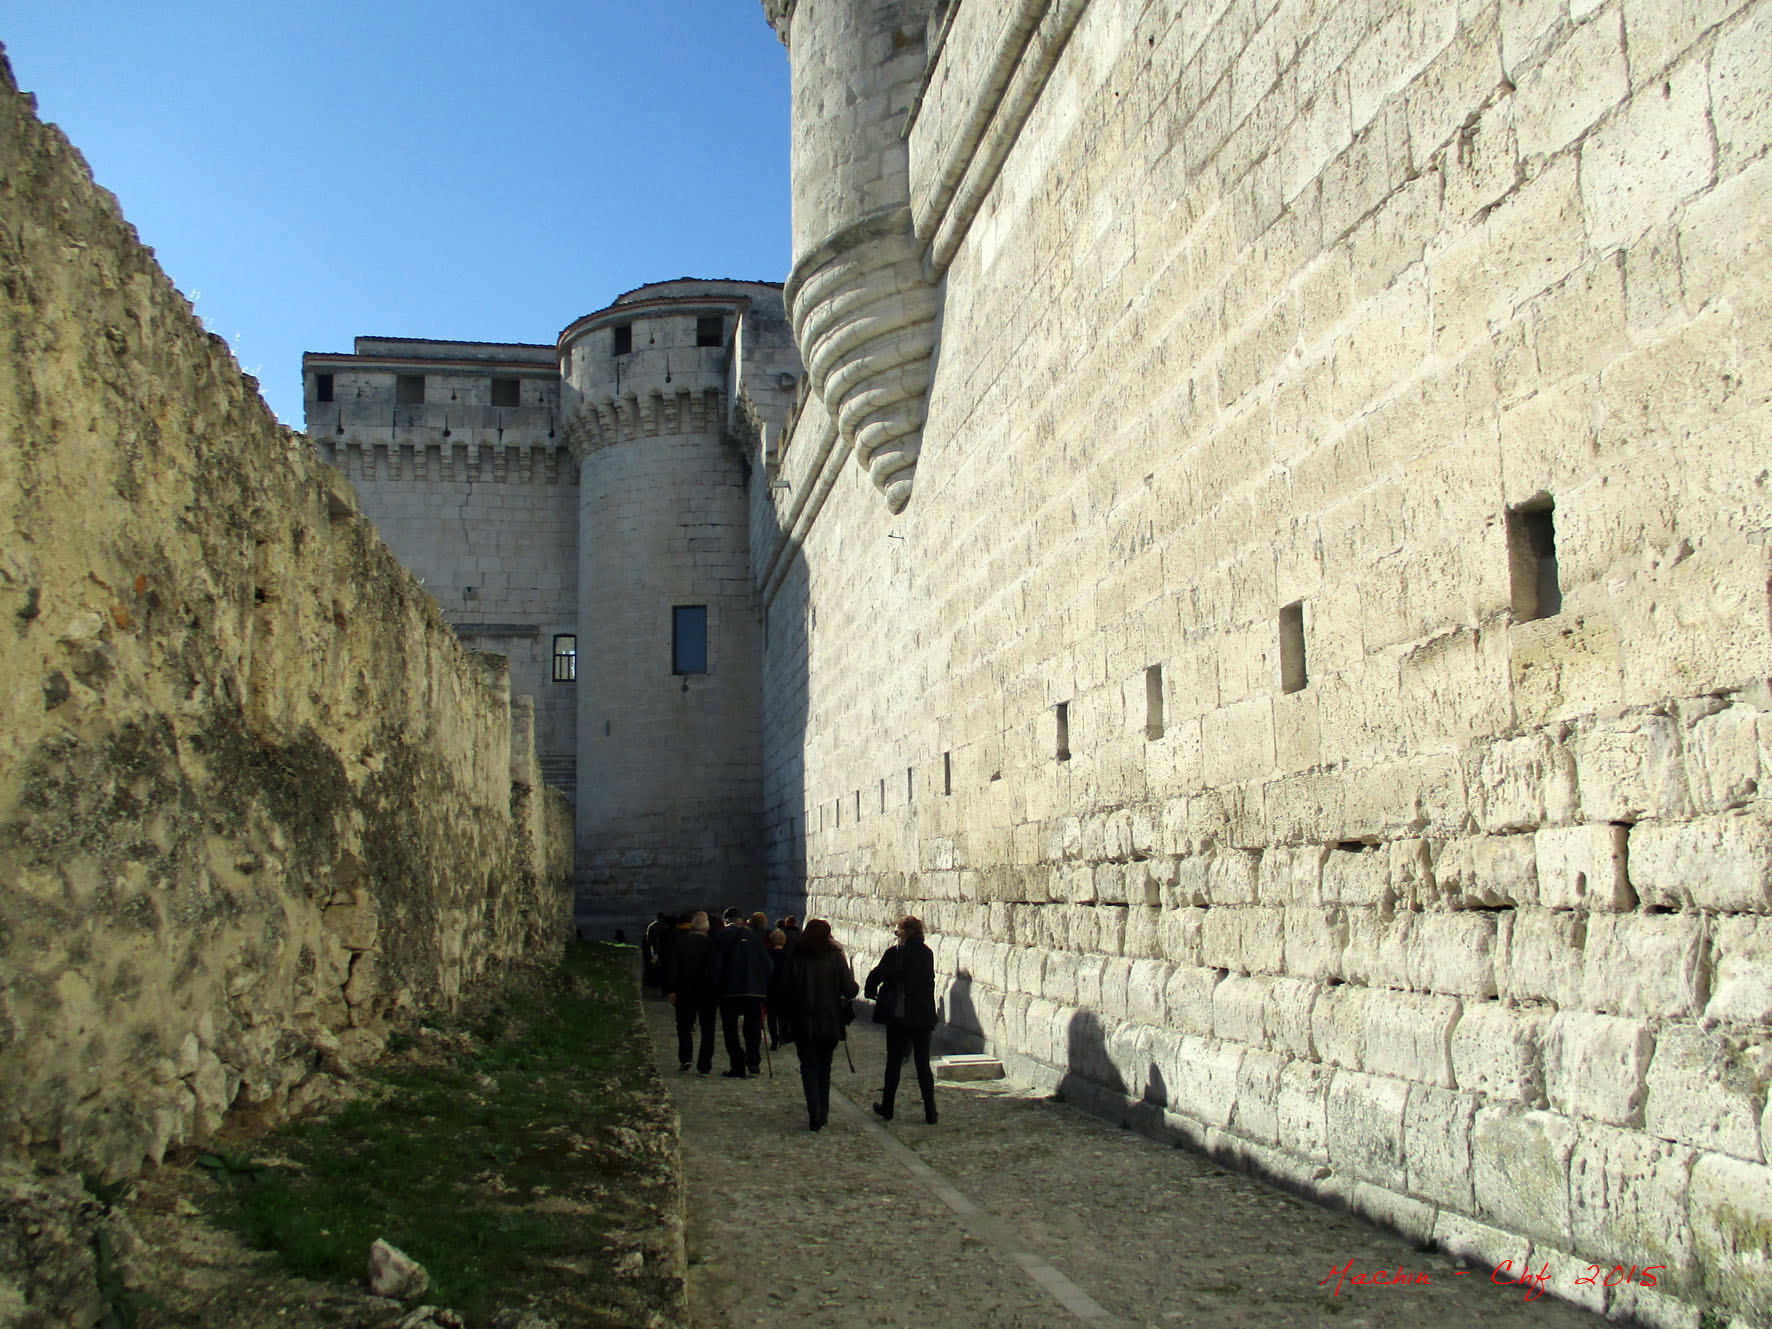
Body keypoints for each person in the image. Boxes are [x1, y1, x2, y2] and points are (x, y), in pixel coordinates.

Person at [783, 919, 857, 1131]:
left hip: (803, 1021)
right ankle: (822, 1111)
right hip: (830, 1021)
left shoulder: (795, 955)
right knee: (824, 1066)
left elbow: (784, 987)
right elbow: (849, 989)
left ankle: (813, 1110)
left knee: (808, 1066)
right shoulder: (834, 956)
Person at [865, 915, 939, 1124]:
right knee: (922, 1064)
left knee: (894, 1062)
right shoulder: (927, 954)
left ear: (903, 933)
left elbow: (876, 976)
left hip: (901, 1016)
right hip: (923, 1015)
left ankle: (888, 1107)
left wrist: (871, 991)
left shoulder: (895, 954)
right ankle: (930, 1111)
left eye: (898, 932)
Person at [715, 911, 773, 1077]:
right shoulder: (754, 937)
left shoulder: (721, 937)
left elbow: (716, 964)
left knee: (730, 1029)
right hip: (753, 991)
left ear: (726, 921)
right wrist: (762, 984)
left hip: (729, 991)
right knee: (753, 1028)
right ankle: (754, 1063)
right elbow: (768, 964)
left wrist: (714, 987)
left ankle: (737, 1064)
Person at [664, 912, 717, 1075]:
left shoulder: (681, 943)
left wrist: (671, 990)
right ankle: (704, 1064)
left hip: (684, 990)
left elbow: (673, 968)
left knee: (684, 1026)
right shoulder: (712, 945)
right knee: (708, 1028)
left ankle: (686, 1058)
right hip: (707, 992)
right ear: (707, 929)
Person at [765, 927, 793, 1050]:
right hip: (784, 989)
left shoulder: (768, 954)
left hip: (771, 988)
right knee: (782, 1015)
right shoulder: (788, 956)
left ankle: (774, 1039)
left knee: (771, 1016)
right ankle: (782, 1035)